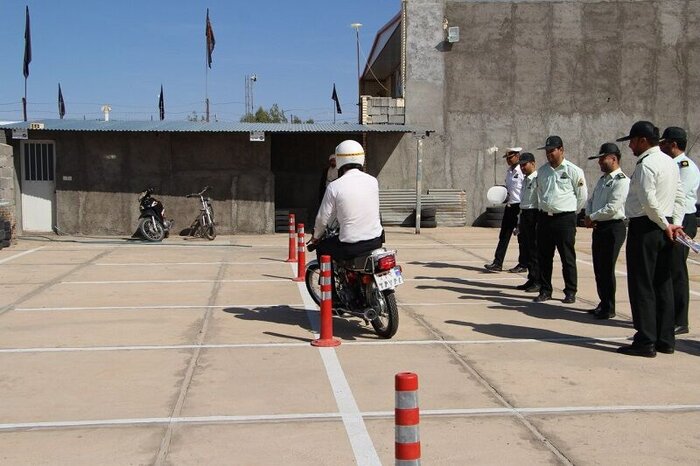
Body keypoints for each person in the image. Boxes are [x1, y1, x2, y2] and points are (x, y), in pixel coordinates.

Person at [615, 121, 685, 357]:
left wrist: (665, 225)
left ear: (643, 140)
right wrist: (674, 223)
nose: (631, 146)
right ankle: (666, 339)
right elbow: (680, 196)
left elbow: (647, 200)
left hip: (647, 228)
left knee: (642, 285)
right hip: (665, 226)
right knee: (663, 284)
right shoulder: (669, 162)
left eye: (633, 141)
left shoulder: (646, 164)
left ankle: (645, 340)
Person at [534, 136, 587, 303]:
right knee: (544, 257)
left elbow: (581, 197)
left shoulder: (573, 170)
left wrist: (570, 212)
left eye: (552, 151)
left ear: (561, 150)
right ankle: (545, 290)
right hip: (545, 218)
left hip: (565, 219)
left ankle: (570, 291)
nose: (549, 154)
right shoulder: (542, 171)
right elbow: (540, 193)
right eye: (547, 151)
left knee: (567, 257)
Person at [310, 140, 384, 261]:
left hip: (351, 245)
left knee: (322, 248)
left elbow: (322, 218)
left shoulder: (334, 186)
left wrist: (316, 236)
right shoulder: (373, 181)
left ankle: (329, 280)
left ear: (339, 159)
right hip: (376, 241)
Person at [659, 126, 699, 335]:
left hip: (683, 221)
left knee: (677, 270)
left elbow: (679, 198)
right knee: (666, 269)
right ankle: (667, 315)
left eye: (663, 143)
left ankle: (680, 320)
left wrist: (676, 226)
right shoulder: (670, 164)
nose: (661, 146)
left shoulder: (684, 166)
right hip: (671, 220)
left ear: (673, 144)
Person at [584, 143, 630, 320]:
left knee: (607, 268)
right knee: (599, 267)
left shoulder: (622, 181)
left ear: (614, 158)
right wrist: (589, 215)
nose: (600, 163)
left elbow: (613, 207)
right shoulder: (603, 180)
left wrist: (593, 217)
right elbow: (591, 200)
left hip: (613, 227)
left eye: (602, 159)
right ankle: (603, 302)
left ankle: (609, 307)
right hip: (599, 227)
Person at [484, 147, 528, 273]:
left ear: (517, 156)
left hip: (519, 206)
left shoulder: (522, 171)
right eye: (507, 158)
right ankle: (498, 262)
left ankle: (523, 264)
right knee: (504, 235)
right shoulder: (509, 171)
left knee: (521, 237)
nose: (508, 160)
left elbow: (523, 190)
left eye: (510, 157)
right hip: (509, 206)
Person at [514, 152, 540, 292]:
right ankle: (531, 279)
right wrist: (519, 221)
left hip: (534, 215)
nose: (523, 167)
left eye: (525, 164)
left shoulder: (537, 179)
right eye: (521, 165)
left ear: (533, 164)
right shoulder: (525, 179)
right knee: (527, 249)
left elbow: (539, 200)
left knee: (535, 250)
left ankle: (538, 281)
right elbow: (523, 201)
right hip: (524, 214)